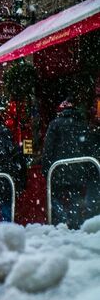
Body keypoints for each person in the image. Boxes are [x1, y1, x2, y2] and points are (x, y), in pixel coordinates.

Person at [41, 98, 94, 228]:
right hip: (78, 170)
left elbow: (48, 149)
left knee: (55, 197)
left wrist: (46, 168)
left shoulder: (54, 125)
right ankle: (74, 224)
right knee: (75, 198)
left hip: (58, 169)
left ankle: (61, 222)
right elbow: (88, 148)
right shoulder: (83, 125)